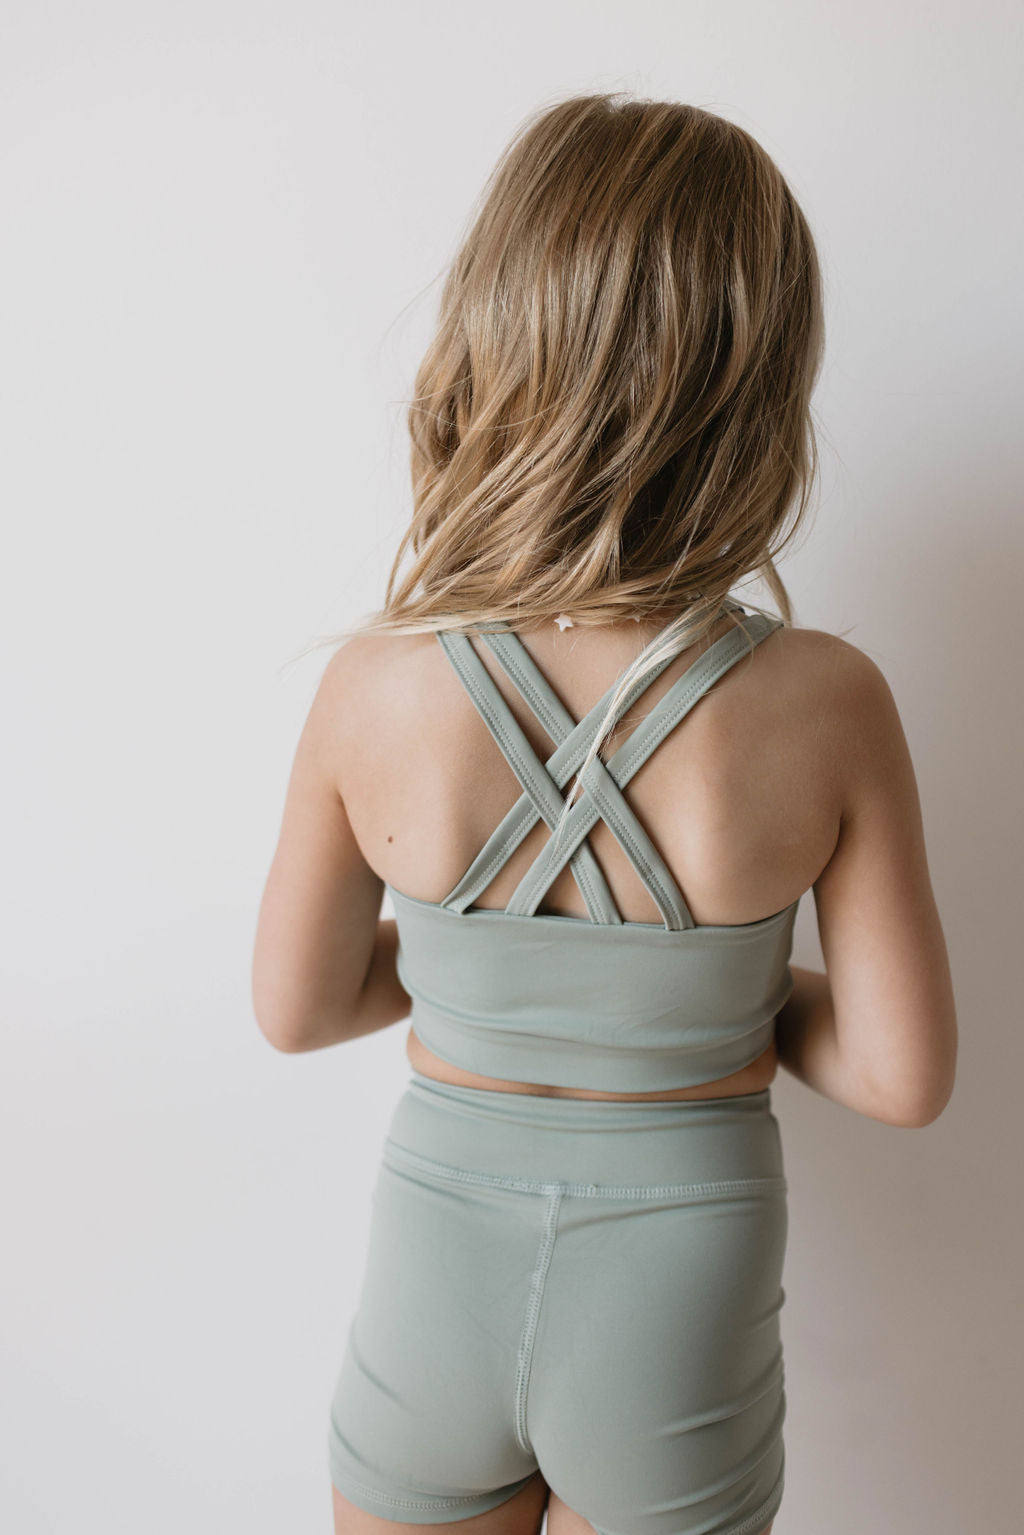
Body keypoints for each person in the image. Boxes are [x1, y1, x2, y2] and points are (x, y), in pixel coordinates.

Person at [251, 90, 958, 1535]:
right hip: (678, 1286)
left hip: (433, 1264)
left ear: (496, 337)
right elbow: (902, 1075)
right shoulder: (829, 702)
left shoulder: (375, 688)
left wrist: (492, 976)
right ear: (761, 385)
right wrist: (697, 997)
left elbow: (298, 1009)